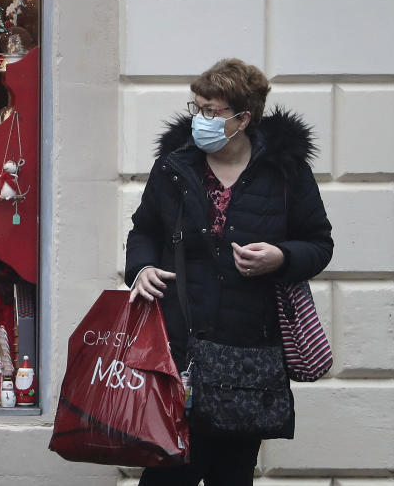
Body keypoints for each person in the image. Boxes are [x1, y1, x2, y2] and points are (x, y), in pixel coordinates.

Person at [125, 58, 333, 485]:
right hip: (179, 347)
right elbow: (144, 229)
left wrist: (282, 257)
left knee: (232, 474)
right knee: (165, 473)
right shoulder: (174, 168)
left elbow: (319, 244)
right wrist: (142, 268)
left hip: (247, 356)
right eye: (196, 107)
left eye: (212, 110)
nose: (200, 118)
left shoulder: (286, 173)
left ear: (243, 118)